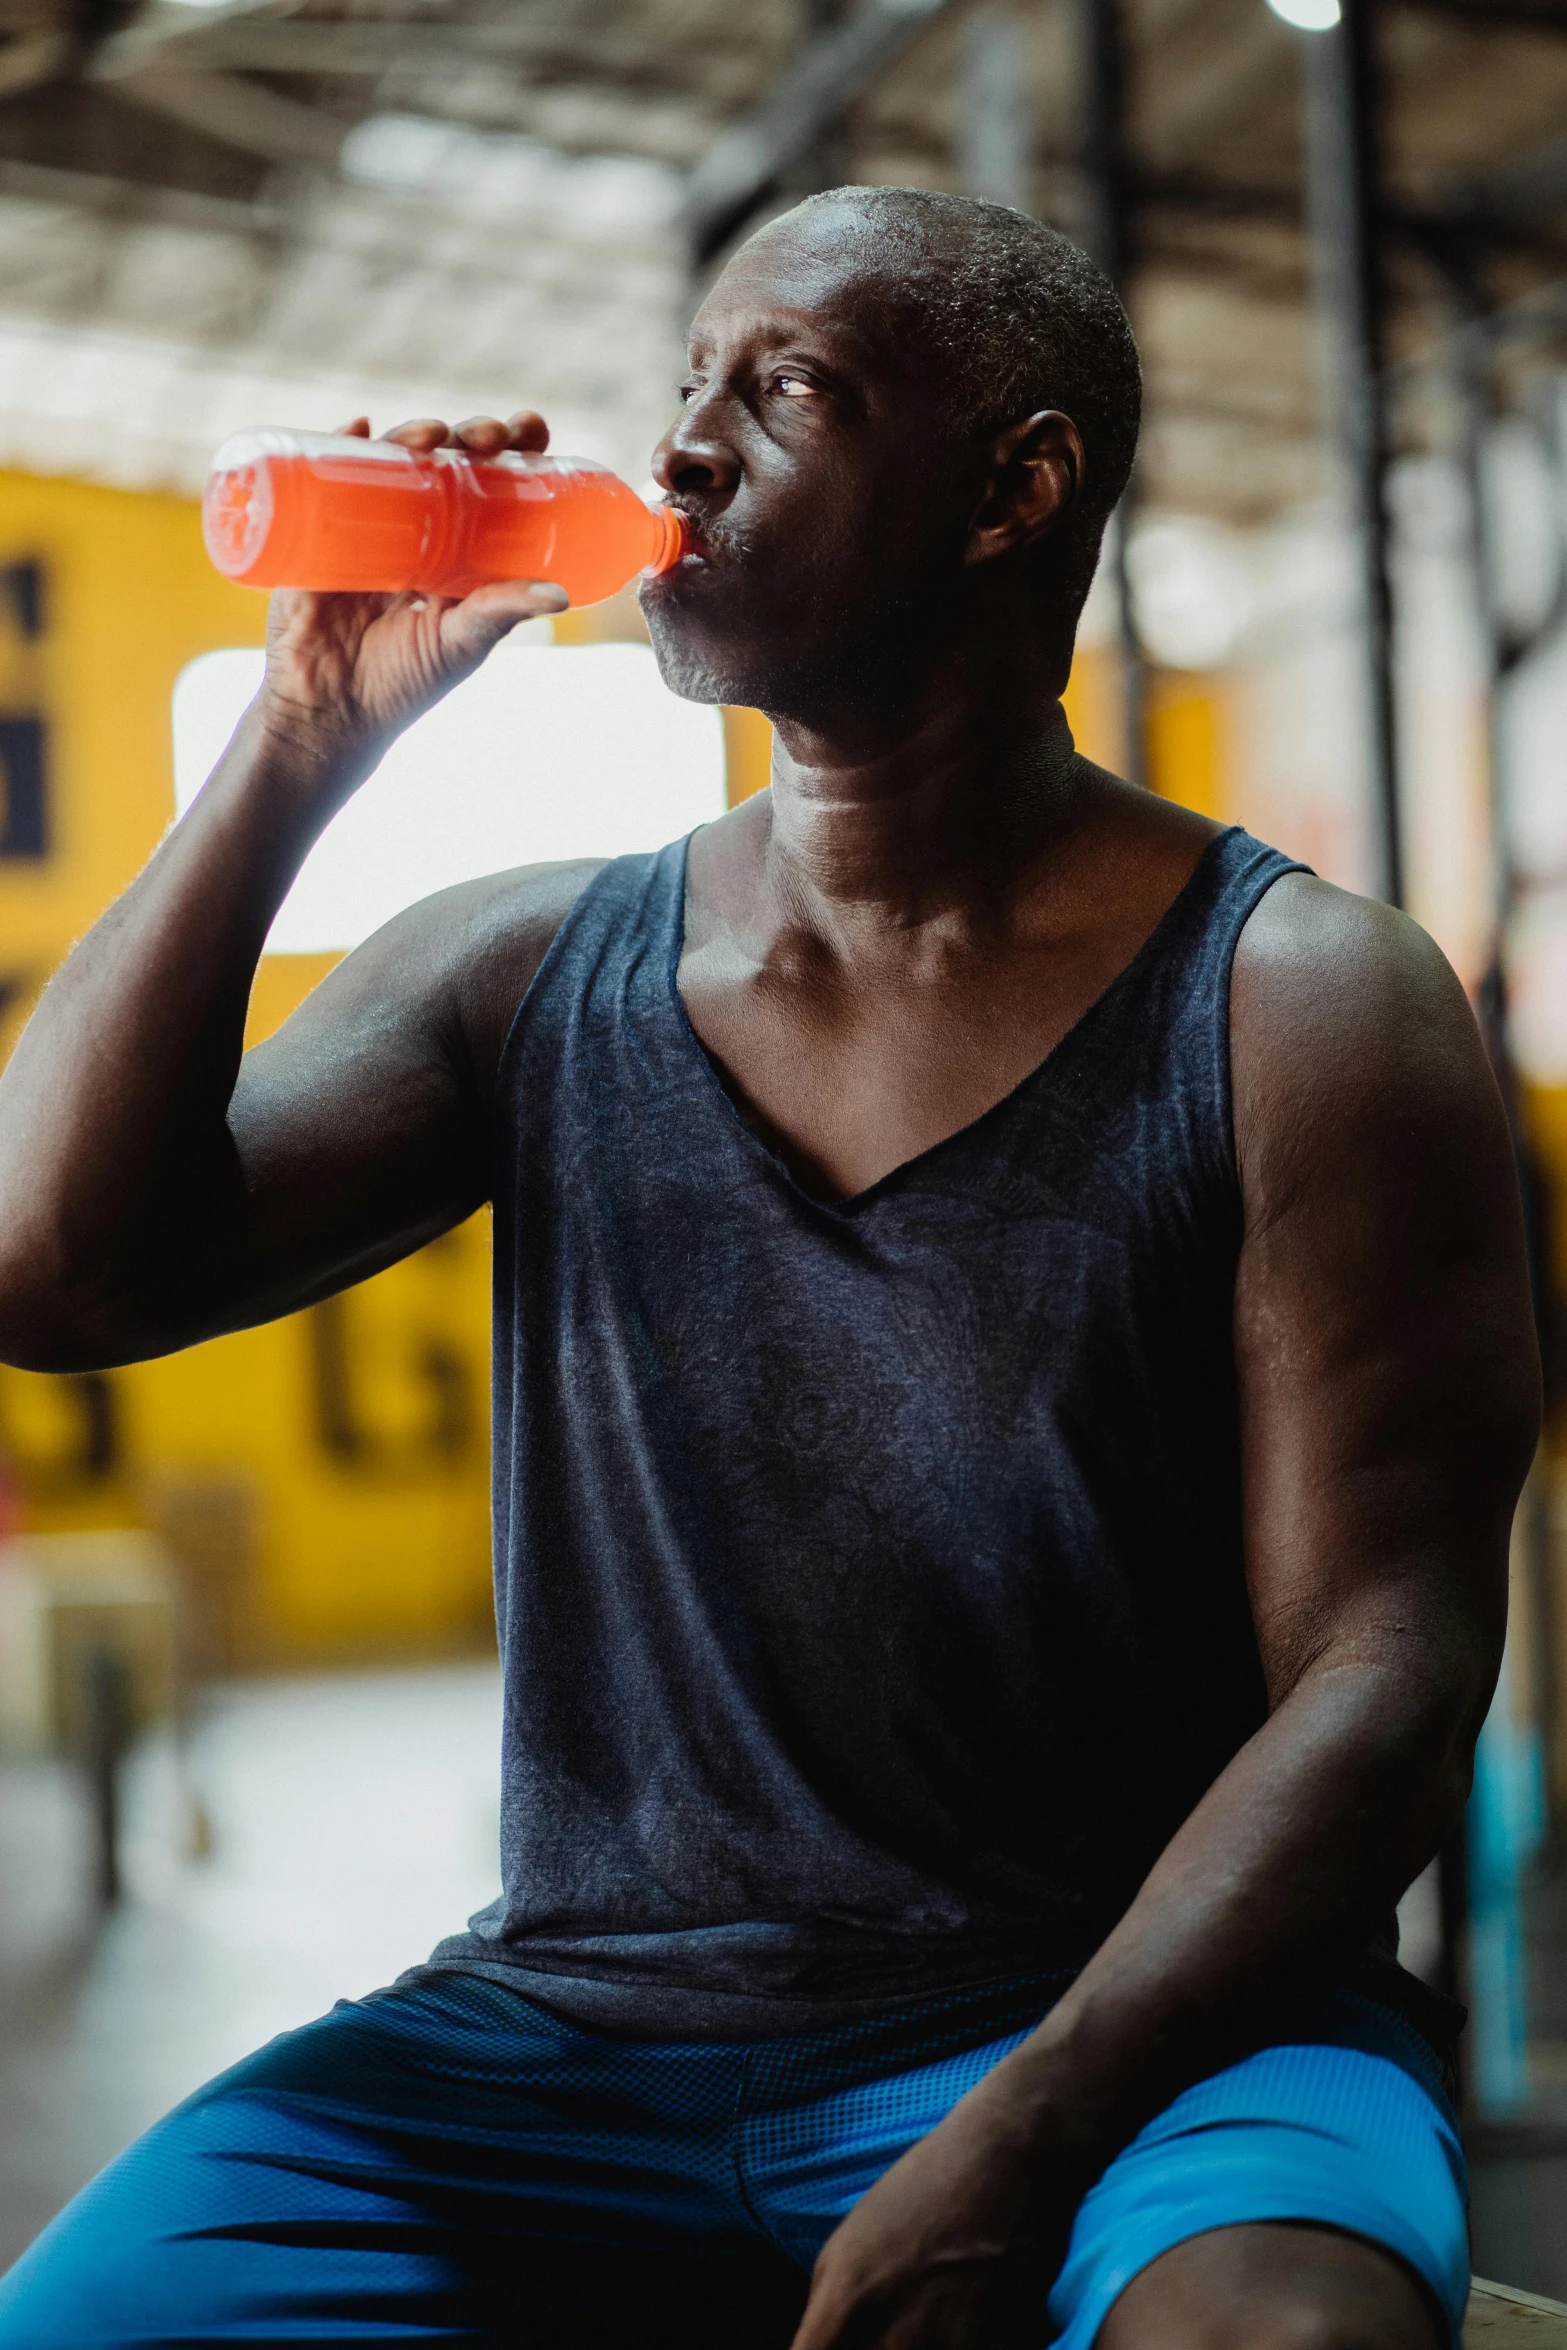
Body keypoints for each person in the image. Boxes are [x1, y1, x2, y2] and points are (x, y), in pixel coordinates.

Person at [0, 187, 1539, 2350]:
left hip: (1146, 2024)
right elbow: (52, 1270)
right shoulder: (531, 965)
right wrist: (297, 742)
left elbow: (1386, 1669)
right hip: (579, 2029)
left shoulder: (1301, 1003)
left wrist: (1017, 2131)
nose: (689, 447)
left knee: (1283, 2339)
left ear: (1019, 487)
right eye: (687, 388)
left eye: (788, 389)